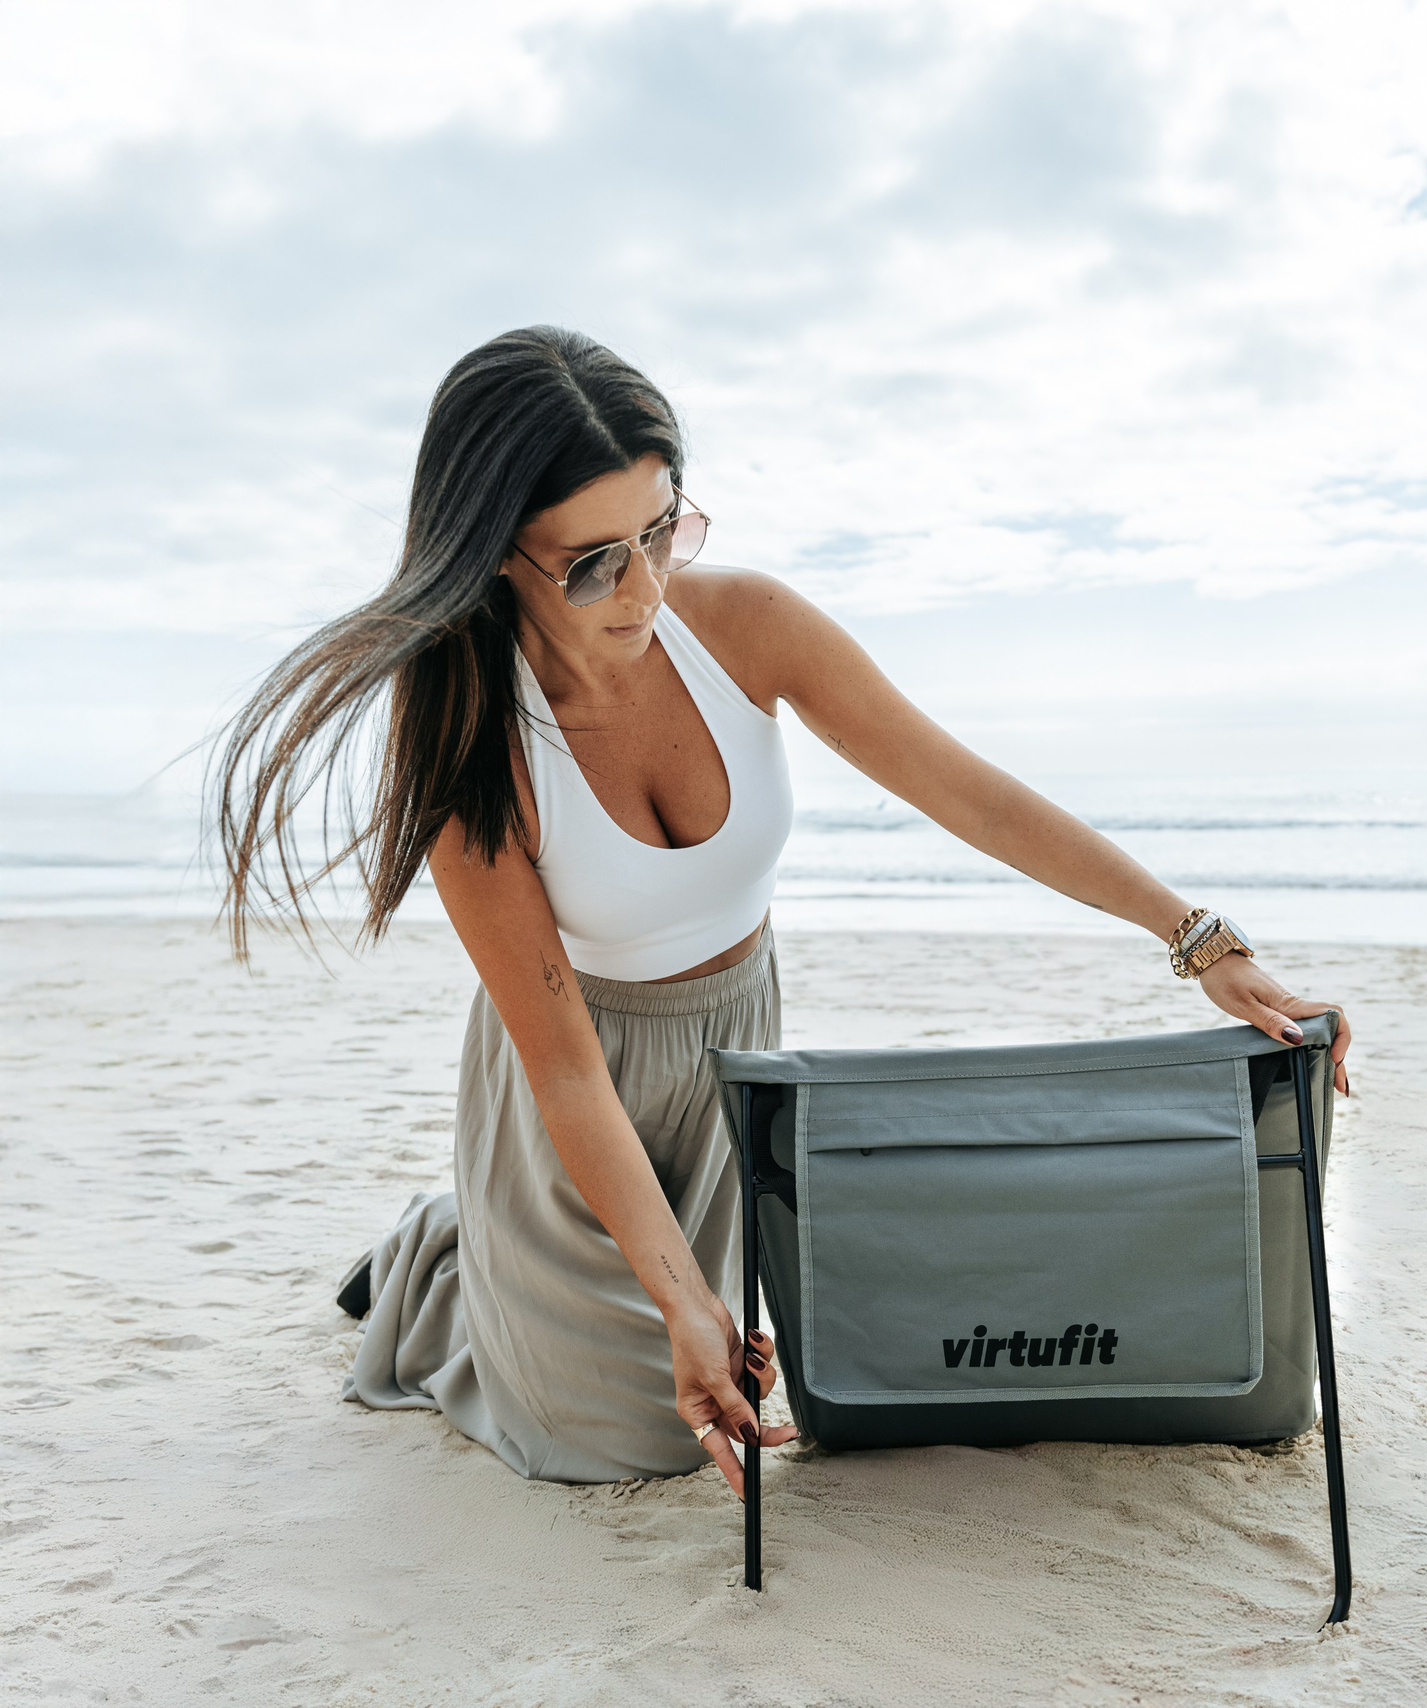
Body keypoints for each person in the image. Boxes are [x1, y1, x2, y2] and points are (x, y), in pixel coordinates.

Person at [211, 326, 1353, 1496]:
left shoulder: (745, 624)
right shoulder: (465, 726)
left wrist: (1197, 938)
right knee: (622, 1448)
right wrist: (677, 1299)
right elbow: (559, 1069)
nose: (647, 587)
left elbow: (963, 790)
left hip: (731, 1050)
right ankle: (443, 1266)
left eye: (663, 529)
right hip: (572, 1074)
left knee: (739, 1383)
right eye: (596, 561)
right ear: (498, 553)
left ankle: (472, 1249)